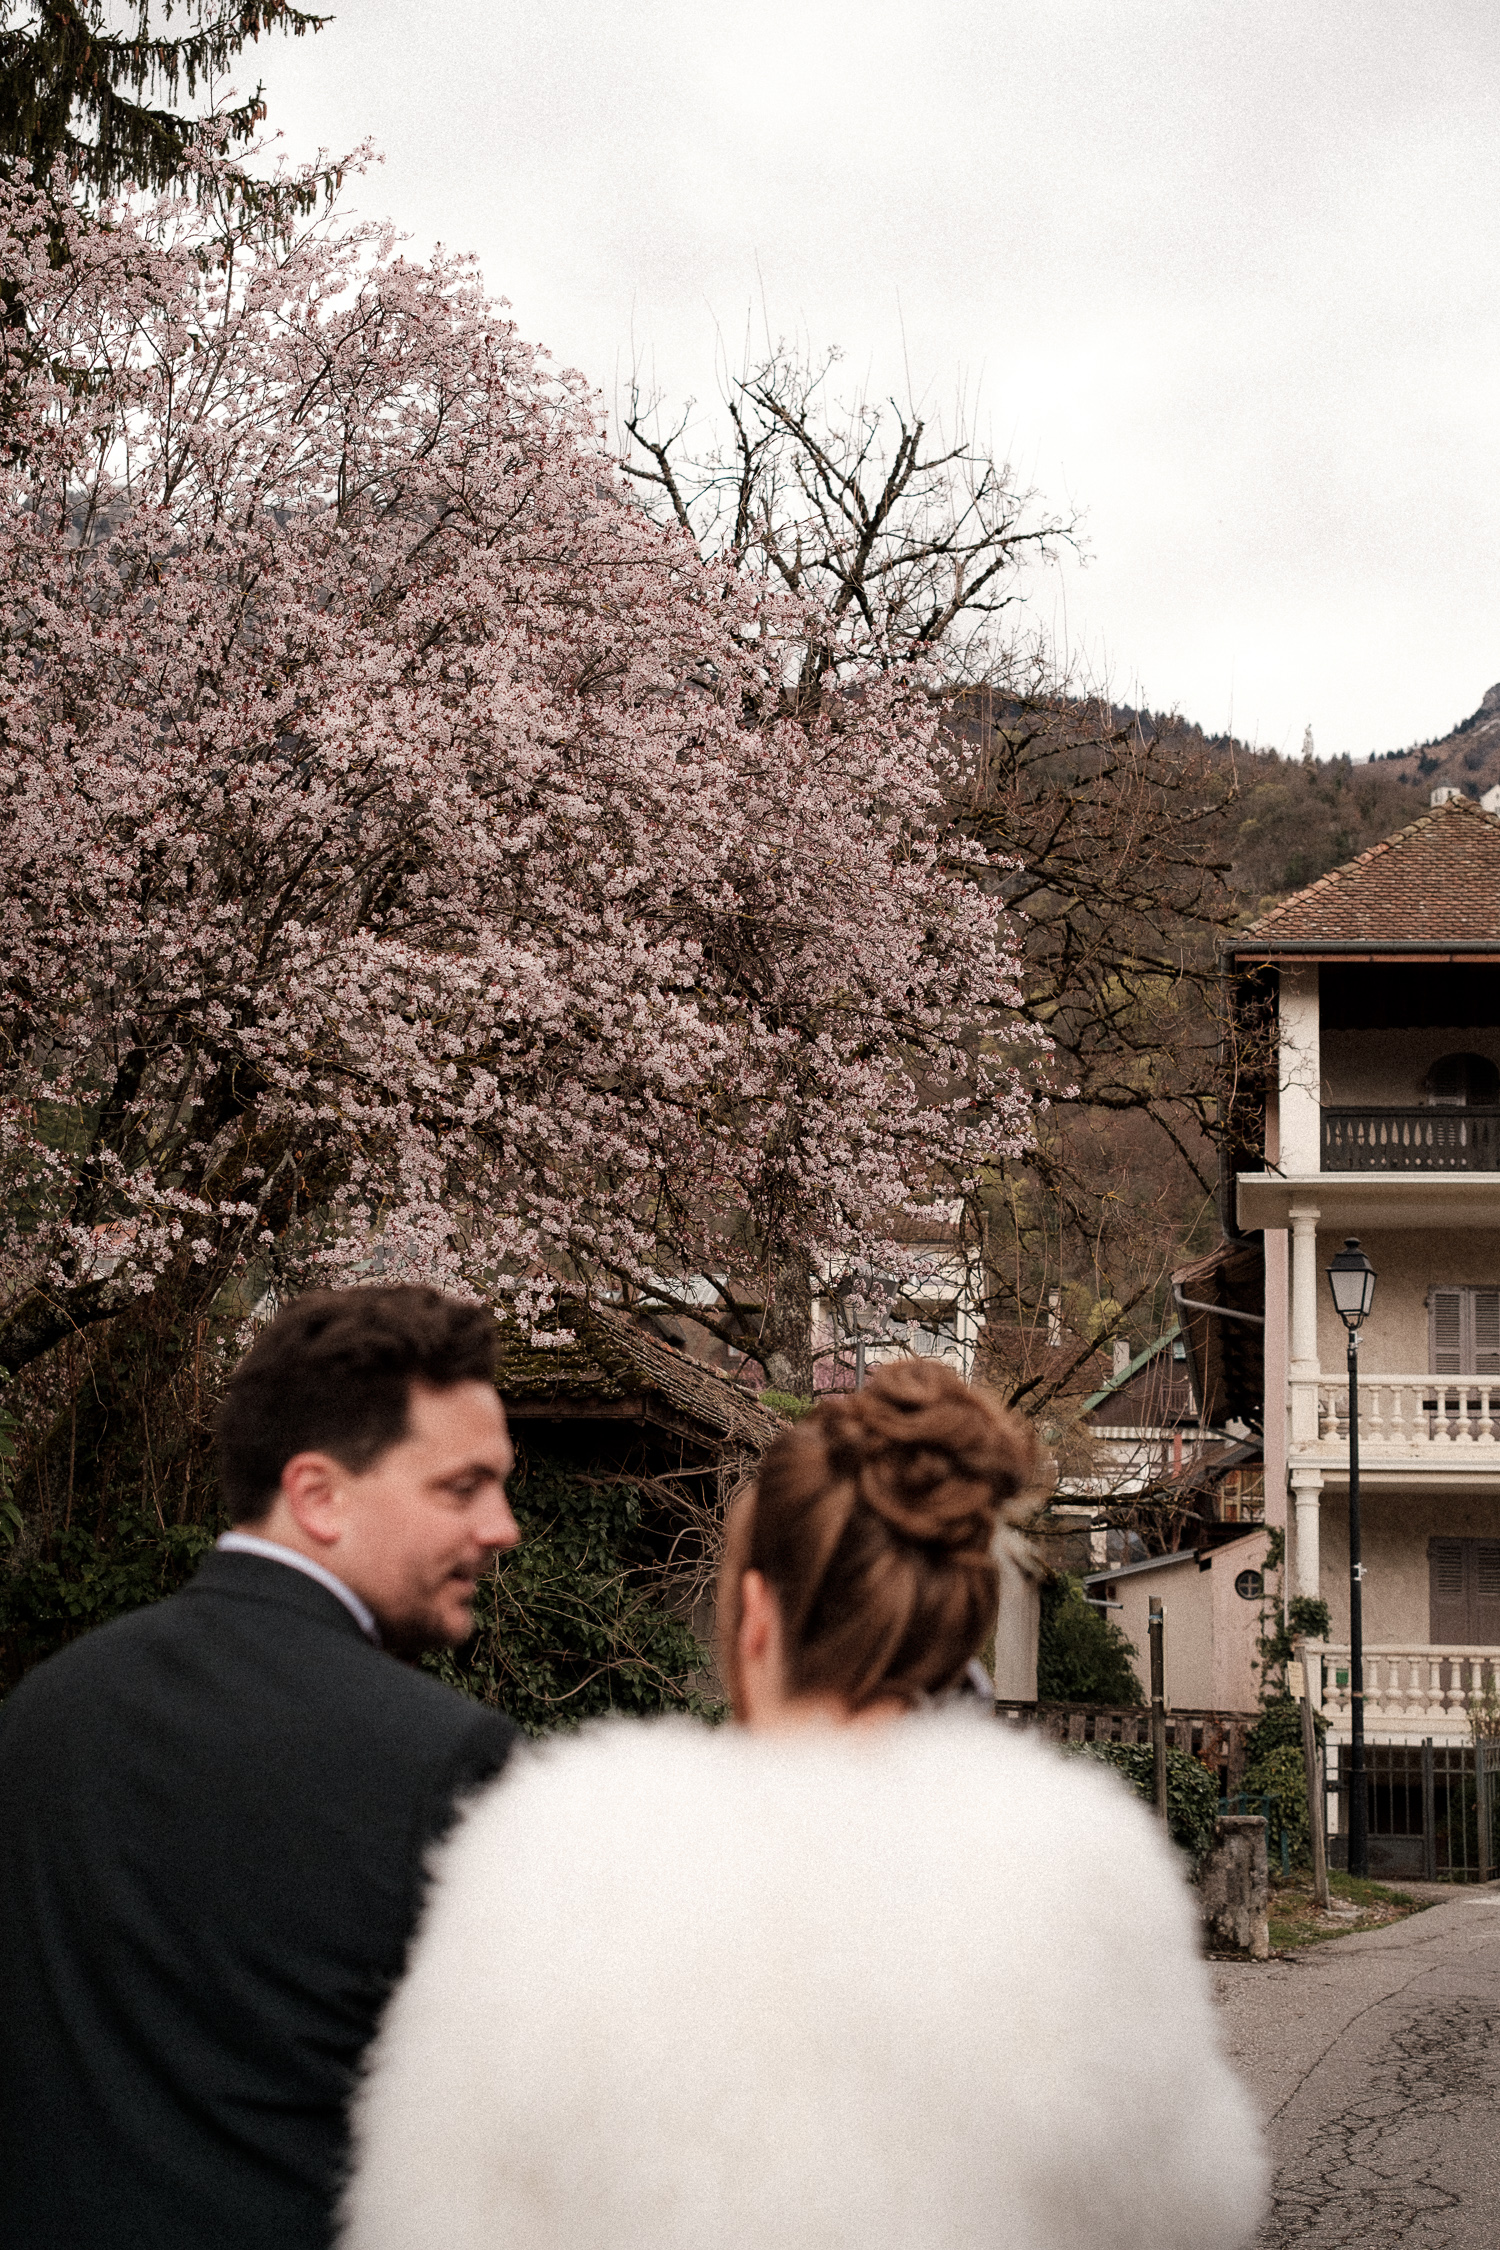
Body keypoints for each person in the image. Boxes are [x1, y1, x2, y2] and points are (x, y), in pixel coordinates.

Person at [341, 1356, 1267, 2250]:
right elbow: (1191, 2209)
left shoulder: (554, 1864)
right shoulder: (1077, 1876)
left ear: (755, 1617)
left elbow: (429, 2215)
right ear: (956, 1627)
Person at [0, 1284, 522, 2250]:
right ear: (317, 1495)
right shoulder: (445, 1760)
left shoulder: (44, 1710)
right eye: (462, 1487)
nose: (502, 1527)